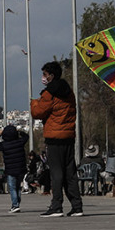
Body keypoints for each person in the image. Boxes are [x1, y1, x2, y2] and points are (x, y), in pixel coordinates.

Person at [31, 61, 83, 217]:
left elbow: (38, 112)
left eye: (45, 75)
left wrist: (34, 103)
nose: (43, 78)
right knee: (70, 173)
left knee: (56, 173)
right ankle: (77, 206)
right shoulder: (69, 92)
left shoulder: (49, 94)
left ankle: (56, 206)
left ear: (51, 76)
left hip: (54, 137)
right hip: (68, 136)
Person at [0, 124, 29, 213]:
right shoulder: (20, 142)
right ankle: (17, 203)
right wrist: (19, 131)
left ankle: (15, 205)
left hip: (10, 169)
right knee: (17, 187)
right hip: (20, 168)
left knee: (12, 187)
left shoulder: (4, 145)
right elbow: (26, 136)